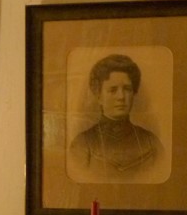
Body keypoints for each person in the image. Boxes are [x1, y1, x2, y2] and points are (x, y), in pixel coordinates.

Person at [68, 54, 167, 183]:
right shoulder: (83, 144)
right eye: (113, 90)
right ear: (99, 96)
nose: (121, 97)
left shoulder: (151, 143)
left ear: (134, 93)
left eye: (127, 89)